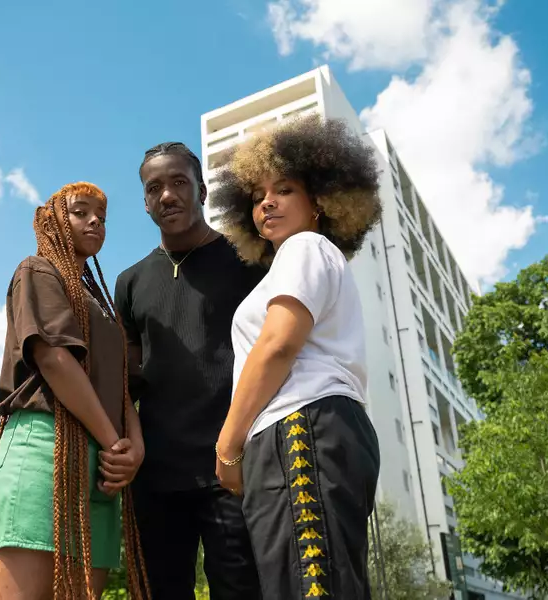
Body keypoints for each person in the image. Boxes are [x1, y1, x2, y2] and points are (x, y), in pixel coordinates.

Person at [210, 115, 383, 599]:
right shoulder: (305, 258)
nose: (267, 202)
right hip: (308, 428)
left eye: (284, 189)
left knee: (310, 587)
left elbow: (278, 344)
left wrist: (228, 447)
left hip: (300, 425)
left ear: (320, 202)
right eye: (258, 195)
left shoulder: (306, 247)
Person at [0, 182, 150, 600]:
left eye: (101, 214)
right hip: (44, 453)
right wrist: (115, 442)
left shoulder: (100, 303)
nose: (95, 220)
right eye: (81, 212)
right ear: (51, 222)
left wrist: (133, 449)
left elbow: (119, 386)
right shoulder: (38, 269)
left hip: (102, 468)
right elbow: (54, 360)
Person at [114, 142, 265, 599]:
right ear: (144, 202)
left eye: (178, 182)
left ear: (200, 190)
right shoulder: (130, 282)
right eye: (154, 187)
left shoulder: (250, 260)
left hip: (232, 467)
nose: (167, 195)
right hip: (155, 477)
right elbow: (127, 378)